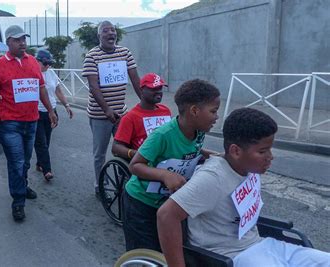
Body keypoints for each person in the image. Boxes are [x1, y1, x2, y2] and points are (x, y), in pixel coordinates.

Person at [157, 108, 330, 267]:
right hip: (232, 254)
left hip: (261, 243)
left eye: (269, 149)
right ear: (236, 151)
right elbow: (166, 215)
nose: (270, 157)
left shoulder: (248, 168)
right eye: (262, 151)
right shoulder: (213, 178)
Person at [123, 79, 220, 252]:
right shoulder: (163, 135)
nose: (217, 117)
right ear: (194, 111)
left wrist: (215, 156)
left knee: (170, 250)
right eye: (213, 111)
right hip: (141, 203)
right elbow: (135, 165)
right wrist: (164, 175)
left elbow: (194, 149)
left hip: (169, 203)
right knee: (146, 253)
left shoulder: (197, 132)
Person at [0, 25, 58, 222]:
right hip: (8, 122)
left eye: (24, 39)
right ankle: (18, 201)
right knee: (17, 161)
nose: (22, 43)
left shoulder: (33, 62)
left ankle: (22, 185)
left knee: (25, 161)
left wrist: (51, 110)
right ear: (8, 41)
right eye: (17, 40)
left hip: (31, 120)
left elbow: (41, 88)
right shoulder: (0, 65)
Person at [82, 20, 141, 197]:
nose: (110, 33)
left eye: (113, 30)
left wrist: (147, 104)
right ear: (99, 36)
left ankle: (126, 182)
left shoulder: (125, 53)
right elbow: (94, 86)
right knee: (100, 153)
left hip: (121, 113)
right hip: (100, 114)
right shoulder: (92, 56)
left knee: (125, 149)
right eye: (106, 31)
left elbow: (136, 81)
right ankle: (100, 185)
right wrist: (107, 110)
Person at [112, 73, 172, 161]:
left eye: (160, 88)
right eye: (154, 88)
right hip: (145, 161)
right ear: (142, 90)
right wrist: (135, 153)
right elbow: (116, 148)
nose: (159, 91)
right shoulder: (130, 117)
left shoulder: (166, 111)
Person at [33, 49, 73, 181]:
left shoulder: (51, 73)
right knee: (41, 142)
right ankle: (47, 170)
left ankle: (40, 163)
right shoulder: (32, 73)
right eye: (45, 63)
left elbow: (58, 90)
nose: (47, 66)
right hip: (36, 112)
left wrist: (67, 105)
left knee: (47, 140)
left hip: (51, 112)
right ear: (37, 61)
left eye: (49, 63)